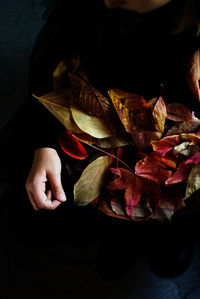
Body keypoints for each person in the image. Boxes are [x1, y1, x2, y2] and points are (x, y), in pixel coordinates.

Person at [1, 0, 199, 278]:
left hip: (179, 138)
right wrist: (44, 142)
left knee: (174, 204)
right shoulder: (85, 11)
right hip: (96, 123)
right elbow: (52, 57)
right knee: (92, 205)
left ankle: (167, 237)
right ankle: (119, 239)